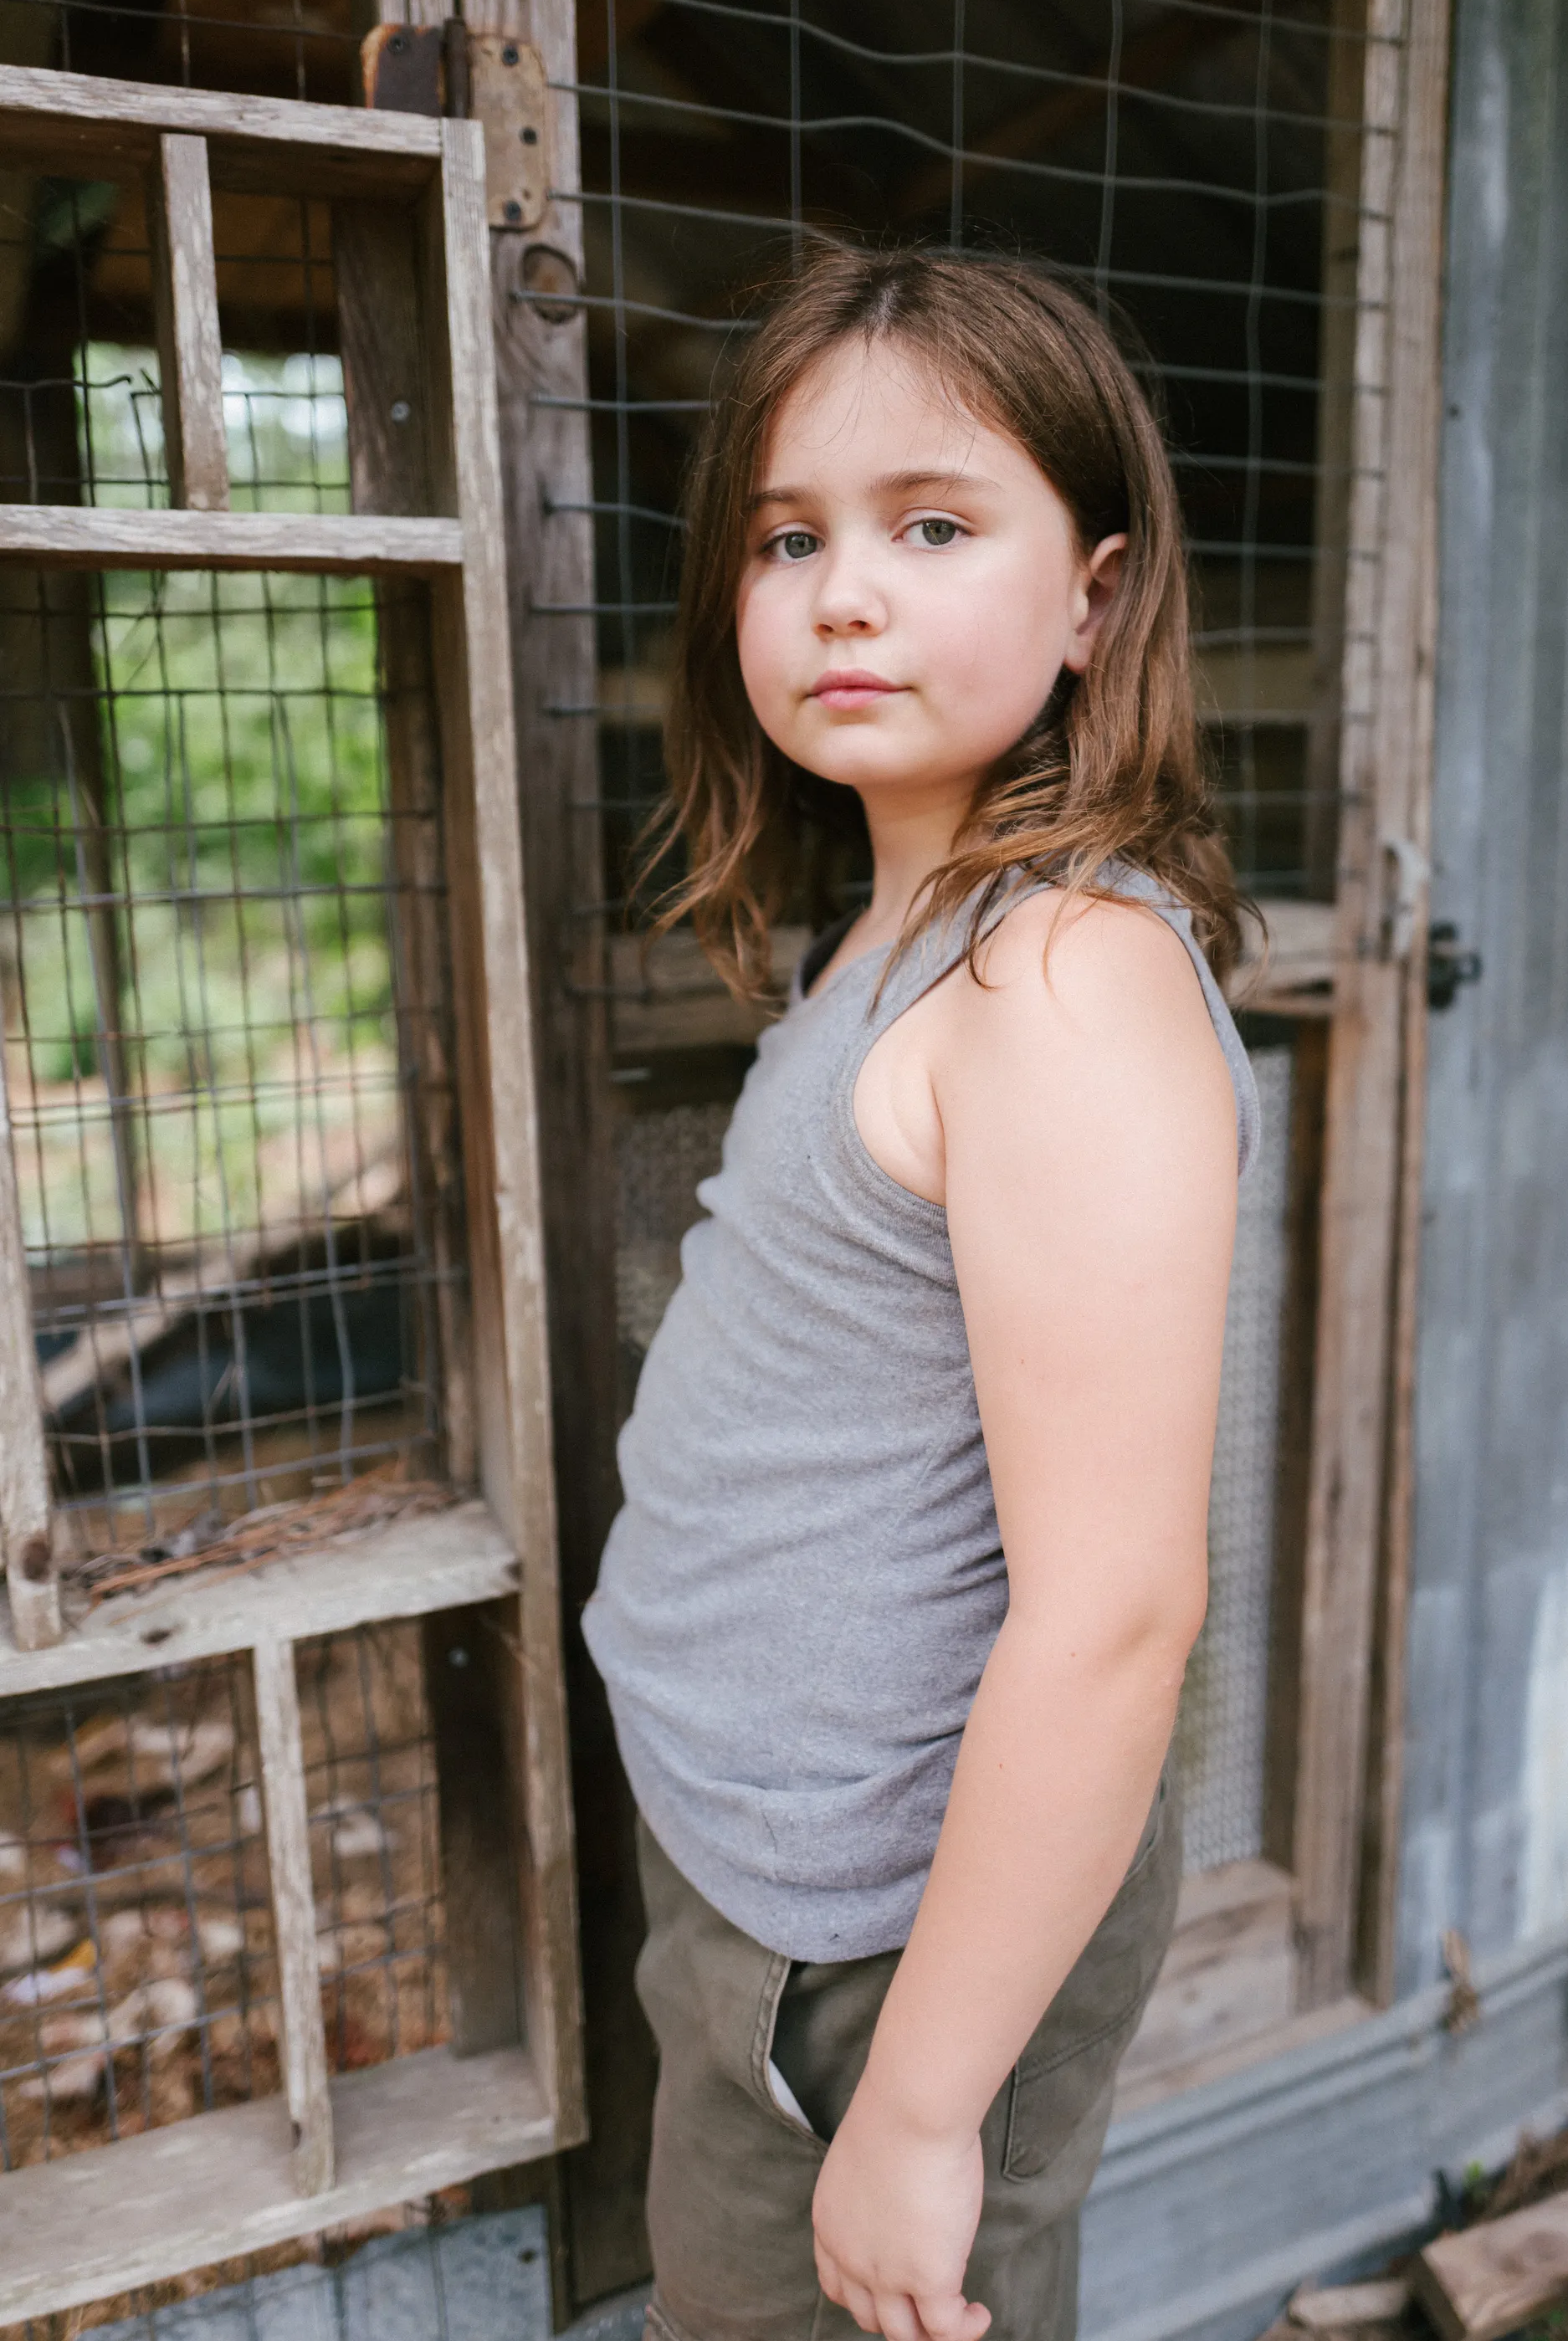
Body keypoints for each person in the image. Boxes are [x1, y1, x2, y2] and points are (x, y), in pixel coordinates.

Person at [582, 243, 1258, 2341]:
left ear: (1097, 600)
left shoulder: (1060, 979)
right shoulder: (891, 943)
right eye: (791, 538)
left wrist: (922, 2106)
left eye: (933, 526)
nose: (842, 592)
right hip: (776, 1891)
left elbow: (1115, 1608)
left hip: (882, 1956)